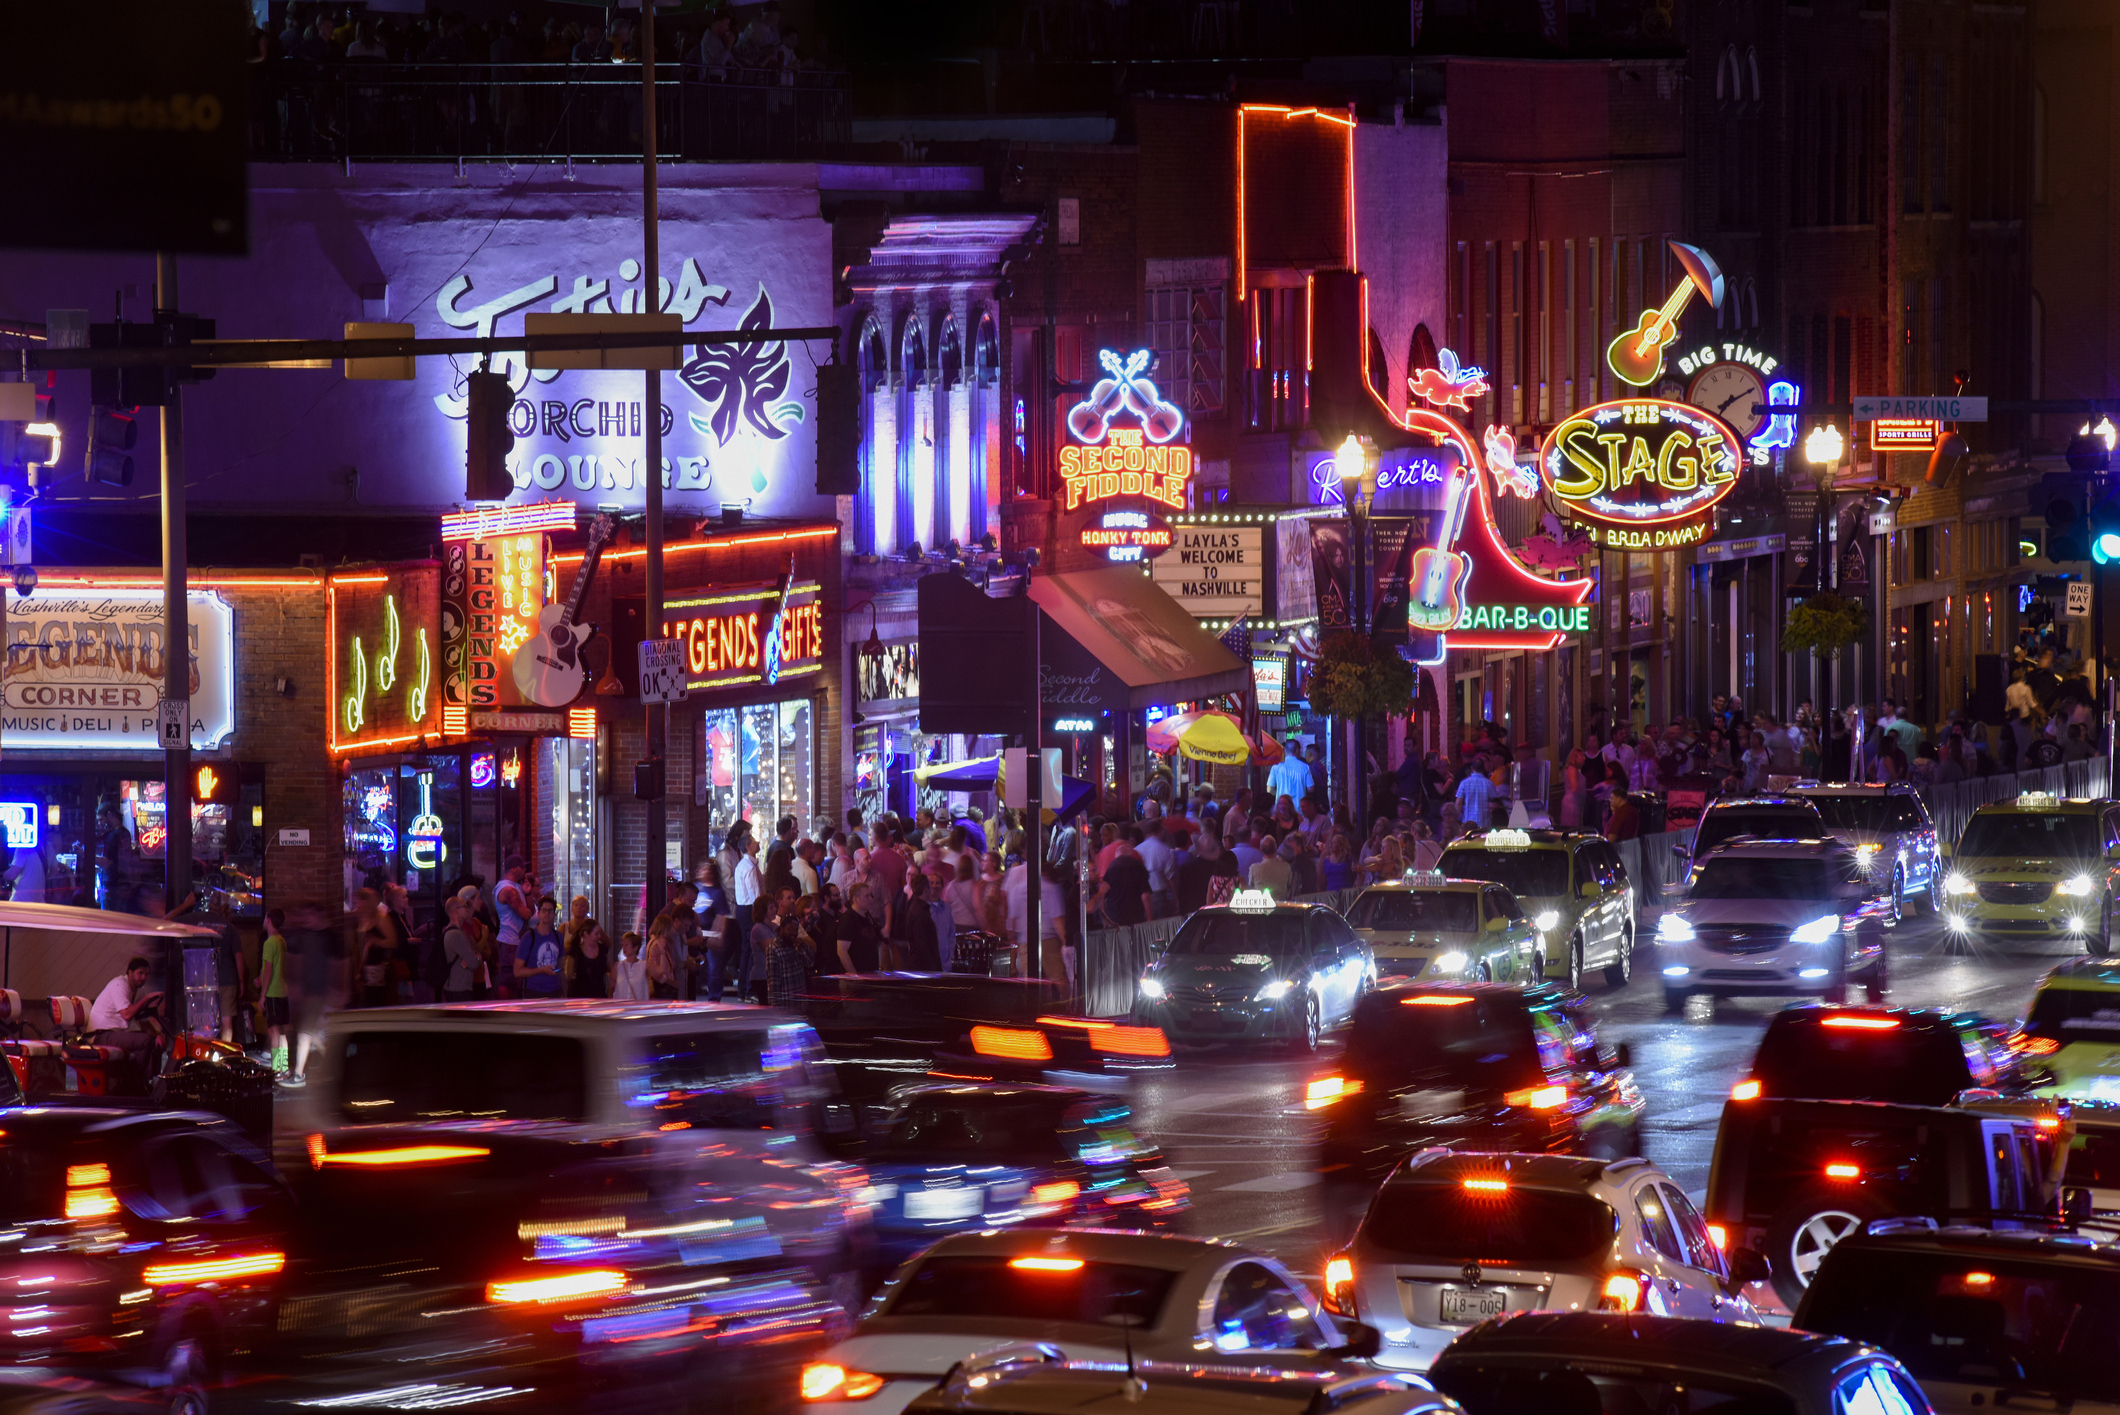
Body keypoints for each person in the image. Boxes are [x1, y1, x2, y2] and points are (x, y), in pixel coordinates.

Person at [90, 956, 161, 1074]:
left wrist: (158, 1033)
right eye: (140, 973)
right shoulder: (119, 985)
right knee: (144, 1041)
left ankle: (149, 1082)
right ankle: (134, 1082)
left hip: (118, 1032)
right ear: (130, 972)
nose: (144, 977)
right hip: (102, 1034)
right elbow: (127, 1015)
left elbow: (139, 1019)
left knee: (156, 1042)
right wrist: (146, 999)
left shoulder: (139, 990)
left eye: (146, 974)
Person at [1175, 828, 1242, 913]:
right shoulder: (1221, 870)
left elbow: (1182, 896)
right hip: (1215, 914)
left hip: (1192, 913)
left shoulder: (1185, 869)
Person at [492, 856, 532, 999]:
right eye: (522, 867)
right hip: (510, 940)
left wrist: (527, 893)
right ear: (514, 869)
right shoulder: (508, 889)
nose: (525, 871)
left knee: (516, 979)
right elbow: (525, 914)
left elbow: (529, 910)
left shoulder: (515, 887)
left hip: (515, 940)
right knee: (509, 979)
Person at [259, 909, 290, 1074]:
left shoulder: (269, 943)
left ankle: (277, 1068)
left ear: (269, 920)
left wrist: (262, 997)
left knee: (273, 1032)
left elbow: (268, 969)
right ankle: (283, 1067)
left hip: (272, 992)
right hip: (283, 991)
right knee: (282, 1031)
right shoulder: (281, 941)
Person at [1099, 830, 1152, 925]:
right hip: (1136, 916)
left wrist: (1105, 919)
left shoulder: (1111, 869)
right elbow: (1145, 896)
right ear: (1130, 855)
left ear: (1117, 856)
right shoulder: (1138, 867)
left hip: (1115, 917)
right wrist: (1149, 918)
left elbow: (1101, 895)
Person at [442, 896, 480, 1002]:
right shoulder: (456, 934)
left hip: (454, 985)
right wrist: (478, 957)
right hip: (459, 987)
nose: (468, 909)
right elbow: (473, 963)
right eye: (465, 906)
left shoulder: (449, 930)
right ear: (455, 911)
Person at [838, 883, 884, 972]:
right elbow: (842, 951)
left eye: (871, 895)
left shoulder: (867, 917)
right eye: (866, 896)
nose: (871, 899)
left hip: (869, 974)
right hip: (856, 978)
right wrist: (855, 976)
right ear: (856, 899)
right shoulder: (848, 919)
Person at [904, 872, 943, 971]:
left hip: (918, 965)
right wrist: (933, 968)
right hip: (922, 967)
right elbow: (923, 944)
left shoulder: (915, 908)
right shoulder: (920, 913)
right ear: (925, 889)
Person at [612, 932, 651, 1001]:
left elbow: (660, 974)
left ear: (635, 947)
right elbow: (611, 987)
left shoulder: (644, 965)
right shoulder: (618, 966)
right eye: (622, 945)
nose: (623, 948)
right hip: (620, 1007)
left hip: (638, 1008)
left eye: (626, 945)